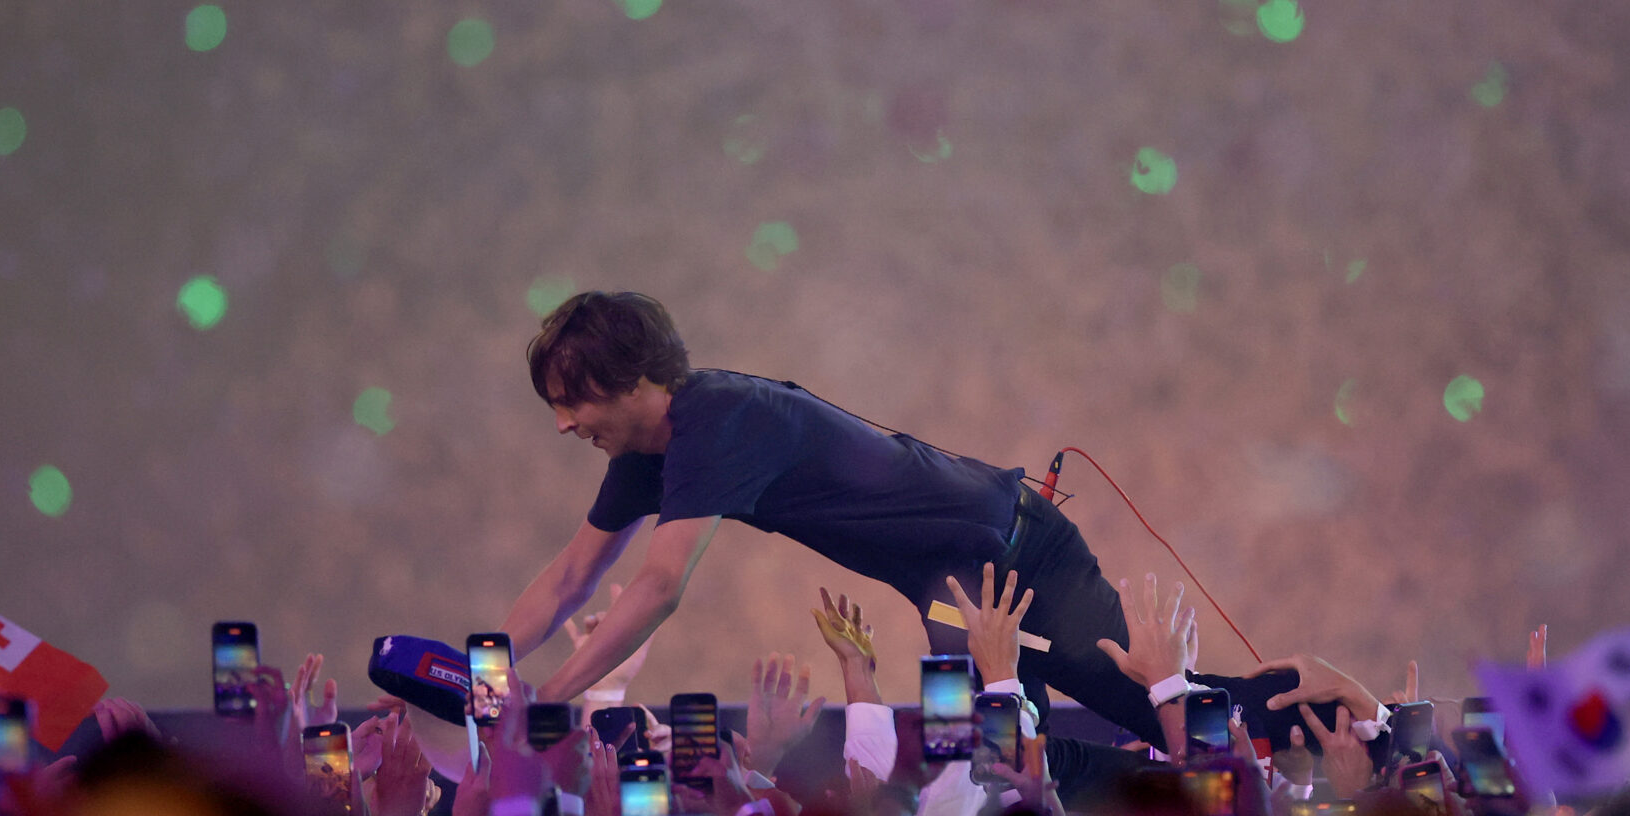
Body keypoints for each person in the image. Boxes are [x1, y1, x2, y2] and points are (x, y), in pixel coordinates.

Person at [501, 290, 1349, 750]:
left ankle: (1354, 713)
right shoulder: (645, 456)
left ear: (633, 378)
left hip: (1016, 557)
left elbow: (656, 585)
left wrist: (545, 700)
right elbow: (571, 575)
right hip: (954, 595)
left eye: (572, 399)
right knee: (981, 757)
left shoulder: (715, 419)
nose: (564, 424)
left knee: (1145, 712)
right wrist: (491, 677)